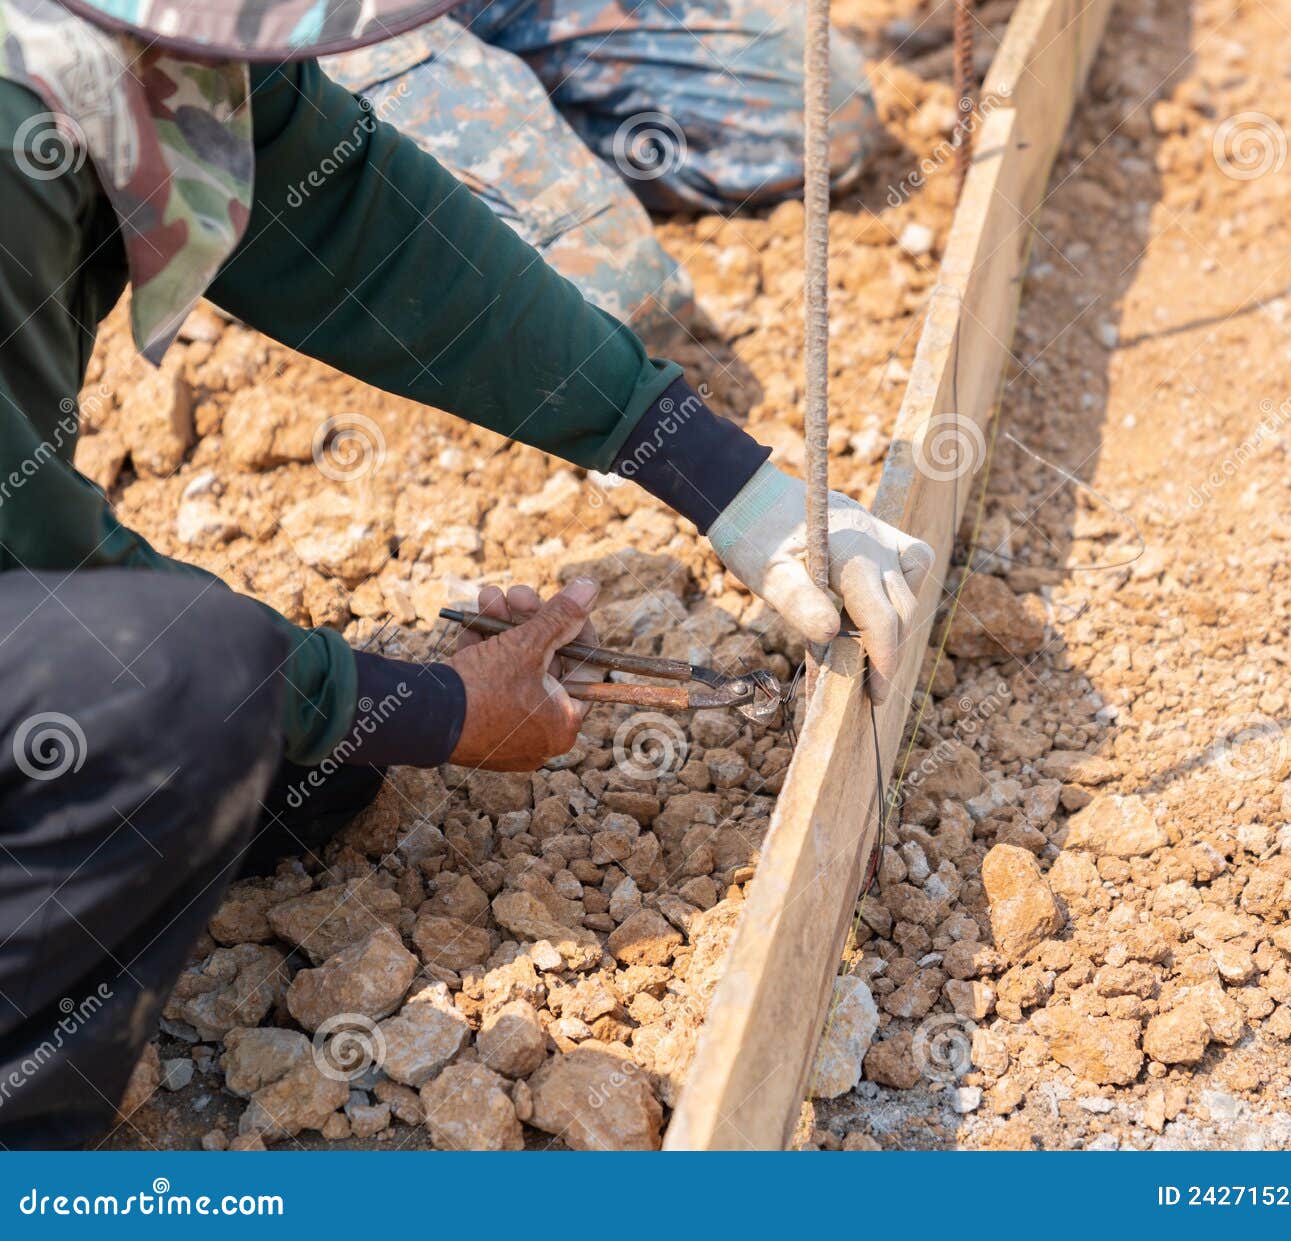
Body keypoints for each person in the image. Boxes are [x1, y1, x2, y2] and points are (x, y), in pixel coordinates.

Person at [0, 0, 930, 1147]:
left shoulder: (131, 44)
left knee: (288, 762)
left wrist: (738, 492)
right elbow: (35, 567)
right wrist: (438, 707)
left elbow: (351, 222)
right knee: (190, 692)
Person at [323, 0, 884, 341]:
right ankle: (281, 197)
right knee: (619, 302)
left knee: (827, 115)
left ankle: (515, 110)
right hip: (323, 22)